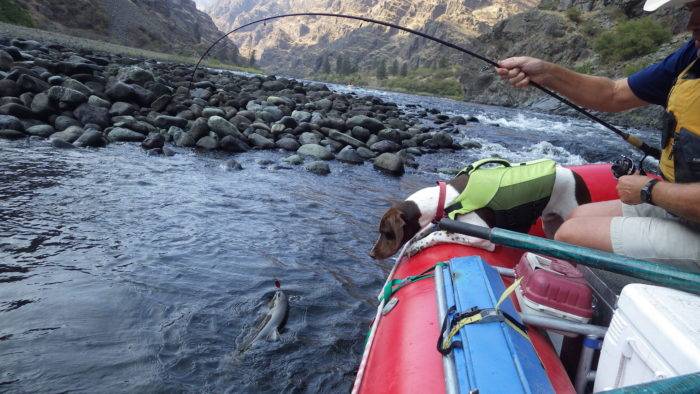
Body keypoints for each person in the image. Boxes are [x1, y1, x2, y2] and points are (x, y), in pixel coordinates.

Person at [495, 0, 700, 271]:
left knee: (570, 236)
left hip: (681, 210)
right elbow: (613, 93)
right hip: (683, 210)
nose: (690, 23)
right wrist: (546, 72)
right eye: (690, 9)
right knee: (576, 217)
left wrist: (651, 190)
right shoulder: (691, 56)